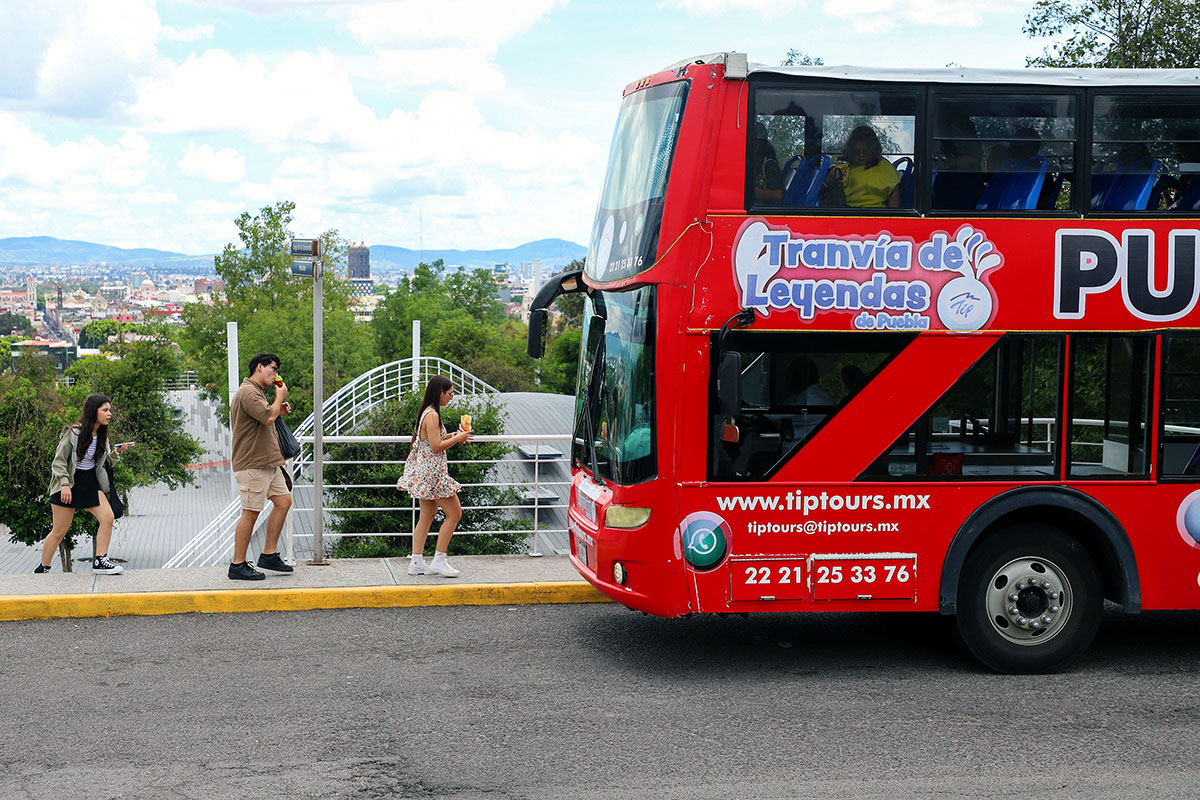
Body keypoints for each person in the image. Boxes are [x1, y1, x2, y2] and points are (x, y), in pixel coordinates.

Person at [38, 394, 132, 574]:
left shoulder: (103, 436)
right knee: (59, 531)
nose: (109, 414)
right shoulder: (73, 433)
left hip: (90, 482)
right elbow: (58, 462)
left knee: (108, 517)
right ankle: (44, 568)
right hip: (69, 482)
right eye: (105, 410)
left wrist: (118, 452)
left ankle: (100, 561)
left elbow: (104, 464)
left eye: (109, 410)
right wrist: (64, 484)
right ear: (93, 411)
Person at [396, 375, 473, 577]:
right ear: (440, 392)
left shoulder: (426, 413)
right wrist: (458, 438)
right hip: (434, 474)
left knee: (427, 517)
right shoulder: (433, 415)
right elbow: (436, 446)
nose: (451, 398)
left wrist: (454, 436)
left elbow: (431, 441)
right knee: (455, 514)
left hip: (426, 473)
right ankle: (439, 560)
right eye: (449, 394)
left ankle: (417, 561)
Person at [228, 352, 294, 581]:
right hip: (253, 463)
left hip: (268, 462)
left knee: (284, 501)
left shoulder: (257, 393)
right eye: (273, 369)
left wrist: (279, 409)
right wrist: (279, 397)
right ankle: (237, 564)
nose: (276, 374)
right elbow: (266, 417)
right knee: (251, 512)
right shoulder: (248, 392)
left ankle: (269, 554)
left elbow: (267, 417)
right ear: (259, 367)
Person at [829, 125, 900, 208]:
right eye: (857, 151)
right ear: (851, 151)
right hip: (846, 212)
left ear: (873, 150)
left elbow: (894, 197)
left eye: (865, 151)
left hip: (876, 215)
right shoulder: (843, 167)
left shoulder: (885, 167)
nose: (861, 155)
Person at [752, 121, 784, 204]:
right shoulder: (755, 162)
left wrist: (753, 192)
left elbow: (779, 195)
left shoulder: (769, 164)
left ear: (758, 143)